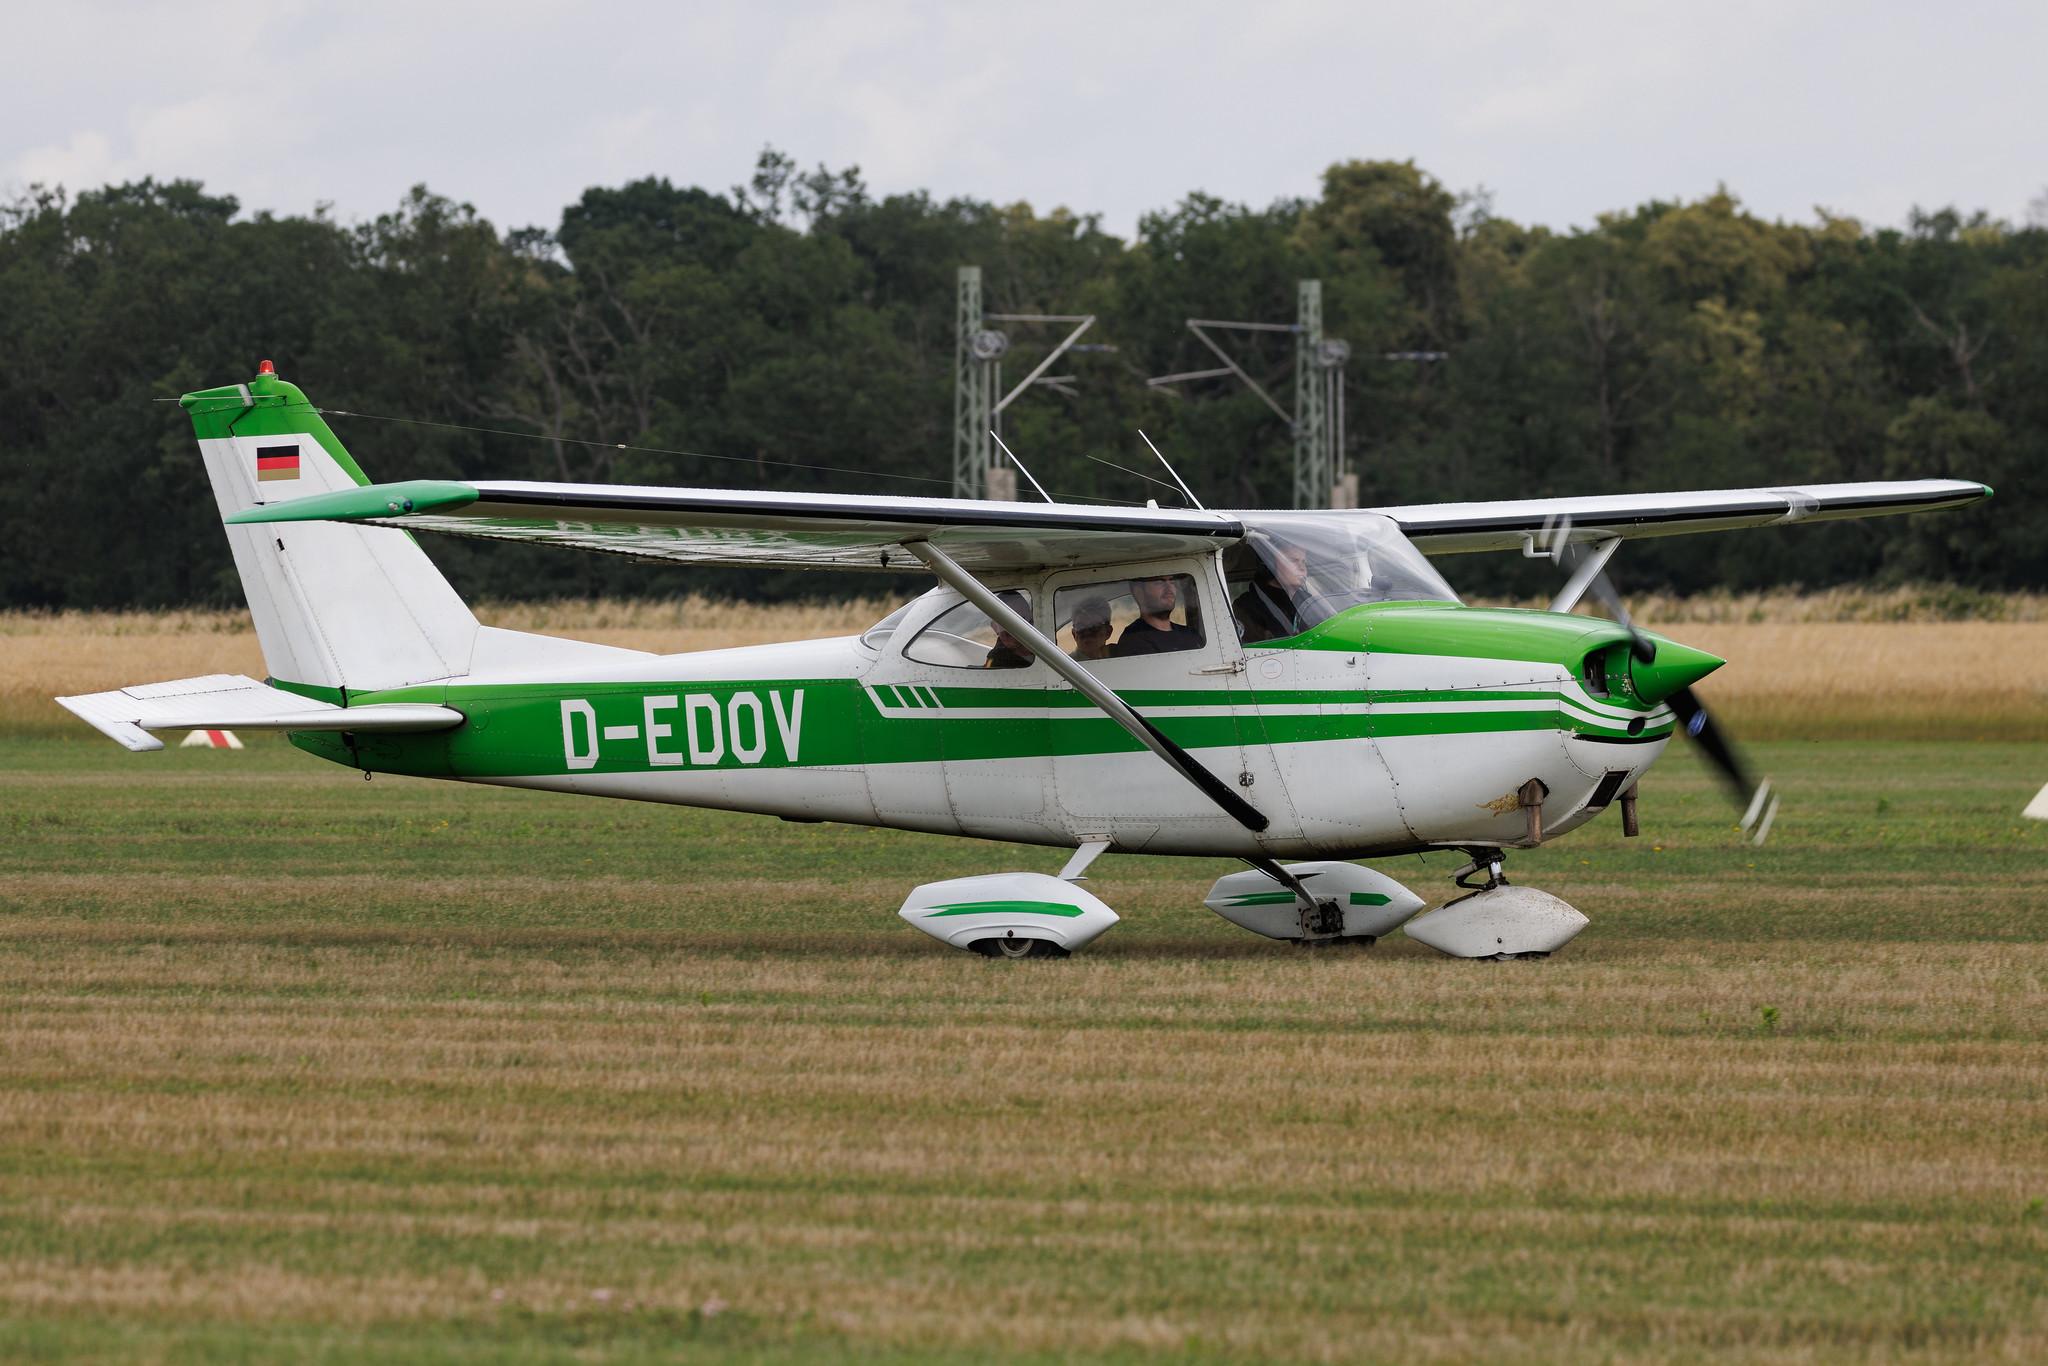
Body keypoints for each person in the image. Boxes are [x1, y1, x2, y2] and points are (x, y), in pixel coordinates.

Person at [1234, 540, 1310, 644]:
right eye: (1294, 560)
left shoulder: (1308, 601)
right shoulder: (1247, 606)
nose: (1302, 568)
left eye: (1304, 562)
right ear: (1271, 563)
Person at [1110, 576, 1202, 657]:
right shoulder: (1132, 638)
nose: (1169, 588)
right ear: (1139, 593)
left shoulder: (1189, 633)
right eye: (1159, 582)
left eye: (1172, 582)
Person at [982, 590, 1035, 669]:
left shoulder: (1043, 652)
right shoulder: (996, 660)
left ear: (1030, 622)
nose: (1006, 630)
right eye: (1001, 621)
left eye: (1017, 619)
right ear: (994, 626)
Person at [1069, 596, 1113, 660]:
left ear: (1108, 632)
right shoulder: (1065, 665)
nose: (1087, 633)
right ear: (1074, 634)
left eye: (1094, 626)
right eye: (1080, 627)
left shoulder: (1121, 655)